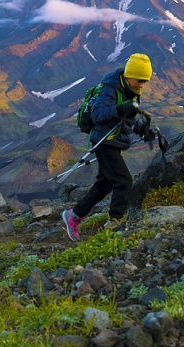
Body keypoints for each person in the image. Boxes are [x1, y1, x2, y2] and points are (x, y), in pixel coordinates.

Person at [62, 53, 155, 241]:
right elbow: (98, 115)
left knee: (104, 185)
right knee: (124, 180)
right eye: (140, 80)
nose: (142, 85)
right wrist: (121, 109)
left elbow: (126, 118)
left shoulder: (131, 91)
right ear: (130, 75)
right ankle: (115, 222)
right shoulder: (110, 89)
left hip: (114, 141)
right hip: (104, 143)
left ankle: (74, 215)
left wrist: (142, 129)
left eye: (144, 82)